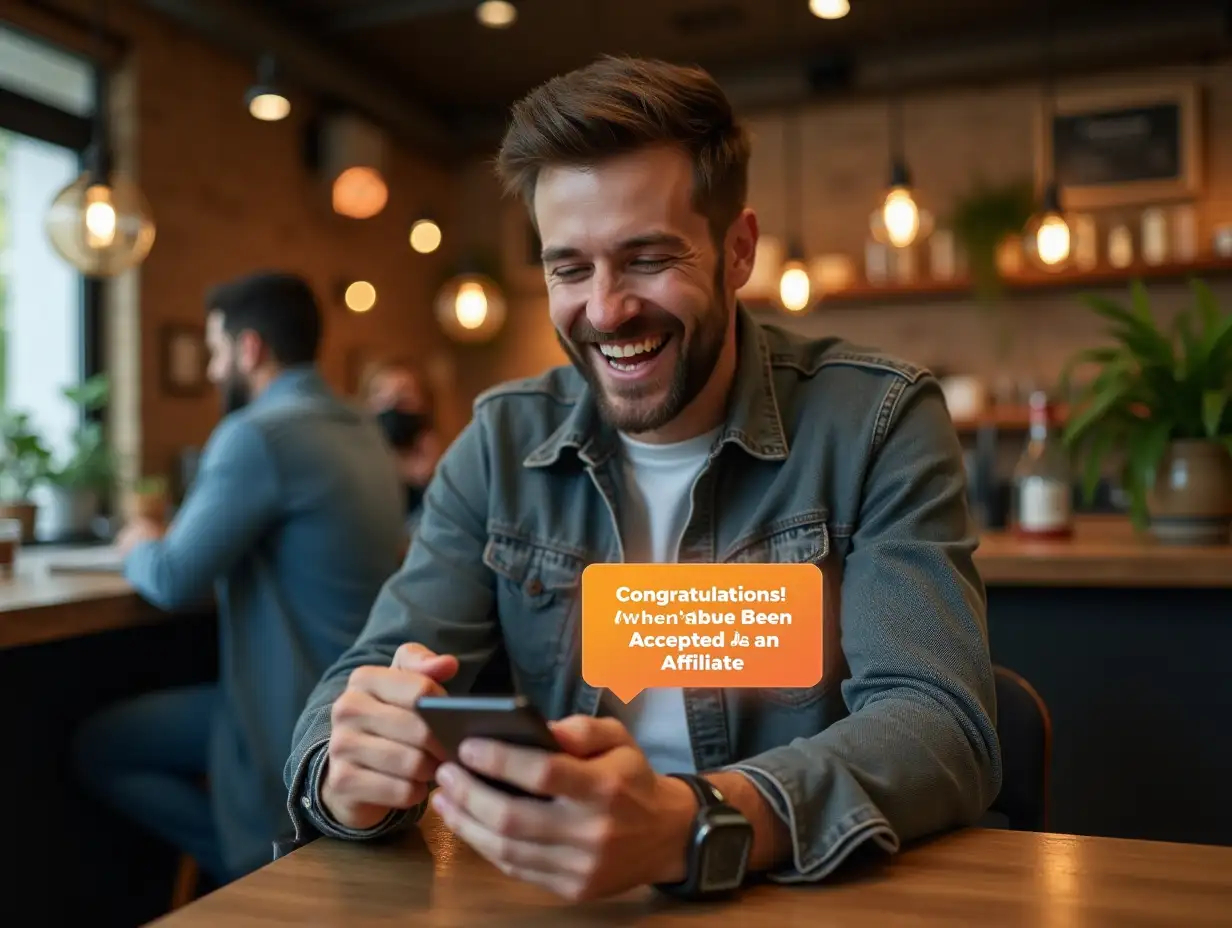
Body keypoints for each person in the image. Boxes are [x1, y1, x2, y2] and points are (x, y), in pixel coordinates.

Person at [283, 56, 1001, 903]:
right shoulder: (501, 439)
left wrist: (692, 823)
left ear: (738, 252)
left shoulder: (876, 422)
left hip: (798, 892)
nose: (606, 309)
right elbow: (368, 672)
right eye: (569, 268)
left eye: (648, 258)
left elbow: (939, 724)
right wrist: (349, 773)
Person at [74, 271, 407, 887]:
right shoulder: (361, 428)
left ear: (250, 348)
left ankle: (247, 865)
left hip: (284, 714)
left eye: (215, 350)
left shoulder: (258, 434)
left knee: (99, 747)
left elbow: (173, 577)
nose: (210, 370)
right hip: (356, 702)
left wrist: (139, 541)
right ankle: (253, 858)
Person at [358, 358, 443, 536]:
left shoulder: (444, 472)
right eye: (379, 394)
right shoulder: (350, 468)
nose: (391, 405)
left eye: (404, 397)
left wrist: (434, 483)